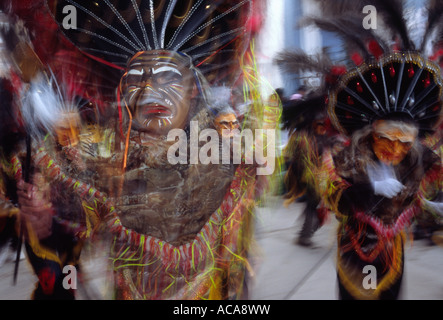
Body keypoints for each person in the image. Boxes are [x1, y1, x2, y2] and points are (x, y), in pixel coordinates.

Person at [13, 0, 273, 300]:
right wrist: (43, 216)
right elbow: (79, 208)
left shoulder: (222, 160)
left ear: (192, 90)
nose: (149, 92)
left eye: (166, 78)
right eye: (136, 80)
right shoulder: (113, 163)